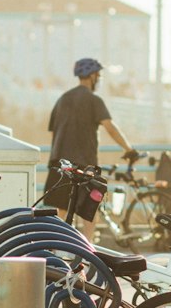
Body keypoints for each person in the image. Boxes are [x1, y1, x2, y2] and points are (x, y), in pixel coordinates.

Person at [42, 57, 137, 236]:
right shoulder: (94, 100)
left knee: (61, 211)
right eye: (98, 76)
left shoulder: (62, 99)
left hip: (59, 164)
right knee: (89, 212)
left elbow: (54, 132)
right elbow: (110, 127)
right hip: (84, 165)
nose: (99, 79)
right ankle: (87, 251)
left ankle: (56, 248)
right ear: (92, 76)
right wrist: (128, 149)